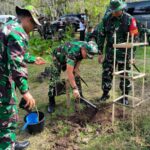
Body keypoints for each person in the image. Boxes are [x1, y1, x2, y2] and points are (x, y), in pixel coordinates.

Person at [0, 5, 41, 150]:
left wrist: (32, 59)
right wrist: (25, 91)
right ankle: (7, 147)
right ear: (29, 20)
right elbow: (17, 64)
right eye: (34, 25)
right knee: (8, 114)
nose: (33, 29)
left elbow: (13, 54)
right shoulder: (18, 32)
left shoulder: (9, 26)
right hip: (2, 79)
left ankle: (8, 142)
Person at [97, 0, 139, 104]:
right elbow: (101, 35)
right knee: (107, 72)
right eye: (112, 10)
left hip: (124, 52)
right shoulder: (106, 19)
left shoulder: (130, 19)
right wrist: (100, 52)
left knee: (125, 74)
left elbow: (134, 38)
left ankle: (124, 96)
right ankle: (105, 93)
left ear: (121, 9)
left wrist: (132, 56)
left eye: (116, 11)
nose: (114, 13)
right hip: (110, 51)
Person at [47, 41, 98, 113]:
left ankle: (80, 96)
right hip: (57, 57)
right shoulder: (73, 53)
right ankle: (51, 102)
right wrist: (74, 88)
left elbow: (80, 58)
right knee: (54, 78)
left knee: (76, 75)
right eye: (87, 55)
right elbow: (69, 72)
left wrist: (76, 69)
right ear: (83, 49)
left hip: (67, 55)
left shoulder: (84, 46)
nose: (87, 57)